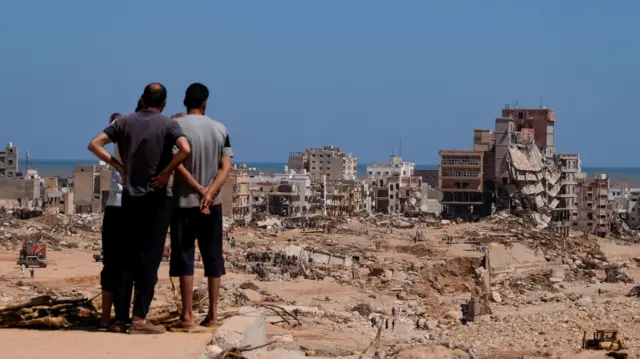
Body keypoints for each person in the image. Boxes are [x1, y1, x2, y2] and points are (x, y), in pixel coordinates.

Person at [88, 83, 190, 334]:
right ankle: (139, 318)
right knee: (149, 260)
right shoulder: (168, 124)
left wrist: (119, 166)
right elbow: (186, 149)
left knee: (125, 260)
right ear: (164, 103)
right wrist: (166, 171)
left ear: (143, 99)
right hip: (157, 200)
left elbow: (94, 144)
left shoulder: (124, 122)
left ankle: (120, 318)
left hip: (129, 199)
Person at [170, 83, 232, 328]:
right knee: (213, 257)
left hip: (184, 202)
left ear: (185, 101)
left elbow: (177, 163)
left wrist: (198, 189)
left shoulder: (176, 127)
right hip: (212, 204)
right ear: (205, 102)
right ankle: (213, 315)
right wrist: (210, 192)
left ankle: (187, 316)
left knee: (185, 256)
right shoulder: (220, 129)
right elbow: (225, 166)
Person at [98, 112, 125, 330]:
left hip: (115, 208)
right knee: (127, 267)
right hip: (128, 207)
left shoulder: (115, 143)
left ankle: (106, 318)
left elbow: (95, 144)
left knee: (110, 266)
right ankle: (122, 317)